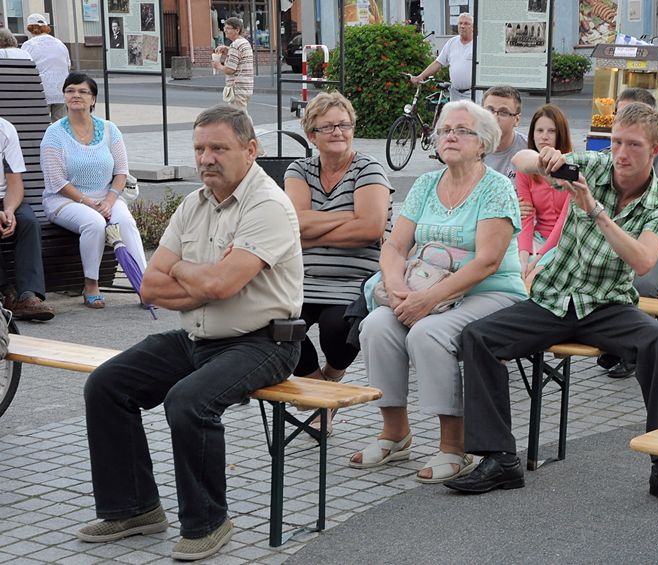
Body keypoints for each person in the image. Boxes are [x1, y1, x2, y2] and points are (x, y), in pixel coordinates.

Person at [77, 105, 303, 562]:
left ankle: (208, 523)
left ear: (250, 150)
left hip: (264, 342)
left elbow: (219, 284)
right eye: (199, 148)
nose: (206, 159)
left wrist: (185, 274)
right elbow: (149, 286)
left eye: (219, 148)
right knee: (107, 385)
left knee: (189, 401)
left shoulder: (269, 205)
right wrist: (201, 283)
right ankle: (135, 507)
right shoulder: (193, 203)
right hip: (198, 337)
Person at [445, 104, 658, 508]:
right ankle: (500, 458)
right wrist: (544, 158)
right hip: (553, 298)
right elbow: (521, 160)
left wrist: (596, 211)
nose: (620, 154)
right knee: (477, 337)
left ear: (655, 151)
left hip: (606, 305)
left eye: (633, 146)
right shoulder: (592, 164)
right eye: (616, 142)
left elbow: (643, 261)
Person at [349, 100, 526, 484]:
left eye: (462, 130)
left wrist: (427, 302)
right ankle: (395, 434)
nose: (450, 136)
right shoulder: (427, 184)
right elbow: (394, 247)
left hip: (491, 291)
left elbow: (488, 263)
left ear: (484, 143)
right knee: (377, 325)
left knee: (429, 333)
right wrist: (396, 289)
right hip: (422, 290)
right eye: (445, 129)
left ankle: (454, 446)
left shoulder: (496, 188)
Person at [284, 92, 393, 434]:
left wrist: (314, 228)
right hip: (302, 277)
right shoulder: (299, 169)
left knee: (338, 329)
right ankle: (324, 394)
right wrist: (347, 219)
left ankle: (326, 387)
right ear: (312, 134)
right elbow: (293, 224)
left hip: (355, 277)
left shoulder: (368, 168)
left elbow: (372, 228)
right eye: (327, 126)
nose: (338, 132)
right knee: (276, 325)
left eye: (344, 125)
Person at [598, 87, 658, 379]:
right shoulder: (608, 155)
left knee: (641, 283)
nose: (624, 119)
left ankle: (632, 348)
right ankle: (611, 340)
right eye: (620, 113)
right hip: (618, 237)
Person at [40, 73, 146, 309]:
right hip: (64, 200)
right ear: (65, 97)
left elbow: (121, 172)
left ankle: (144, 284)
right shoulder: (54, 134)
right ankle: (91, 283)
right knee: (94, 223)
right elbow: (56, 181)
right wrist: (88, 202)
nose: (76, 95)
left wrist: (109, 200)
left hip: (107, 197)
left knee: (125, 222)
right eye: (70, 91)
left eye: (82, 91)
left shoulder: (109, 129)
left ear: (93, 99)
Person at [0, 117, 54, 320]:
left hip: (6, 199)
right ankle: (6, 292)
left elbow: (14, 180)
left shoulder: (5, 129)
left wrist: (10, 211)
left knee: (29, 222)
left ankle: (28, 296)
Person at [515, 104, 572, 280]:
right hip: (537, 238)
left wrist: (537, 260)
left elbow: (564, 222)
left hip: (565, 242)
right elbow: (525, 217)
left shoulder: (572, 168)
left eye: (551, 131)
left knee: (534, 278)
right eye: (539, 131)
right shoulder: (526, 169)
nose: (544, 137)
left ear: (560, 134)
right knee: (514, 271)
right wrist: (524, 257)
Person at [21, 13, 71, 122]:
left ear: (30, 28)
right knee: (60, 124)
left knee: (40, 123)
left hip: (41, 90)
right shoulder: (60, 44)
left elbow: (24, 68)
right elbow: (68, 65)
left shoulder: (28, 45)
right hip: (61, 89)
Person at [411, 13, 473, 101]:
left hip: (473, 94)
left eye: (466, 23)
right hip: (455, 94)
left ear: (473, 27)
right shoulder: (452, 43)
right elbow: (438, 63)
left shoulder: (478, 45)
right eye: (460, 23)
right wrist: (421, 76)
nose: (462, 26)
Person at [481, 85, 527, 182]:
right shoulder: (469, 149)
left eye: (503, 112)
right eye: (489, 110)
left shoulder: (530, 148)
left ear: (517, 120)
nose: (494, 117)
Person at [211, 17, 254, 115]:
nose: (225, 30)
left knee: (238, 117)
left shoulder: (235, 45)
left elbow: (230, 69)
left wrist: (218, 65)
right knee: (242, 115)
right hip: (245, 86)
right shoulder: (244, 42)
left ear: (237, 30)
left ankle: (248, 131)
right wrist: (228, 49)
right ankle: (249, 130)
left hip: (237, 88)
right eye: (224, 28)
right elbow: (239, 56)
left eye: (228, 28)